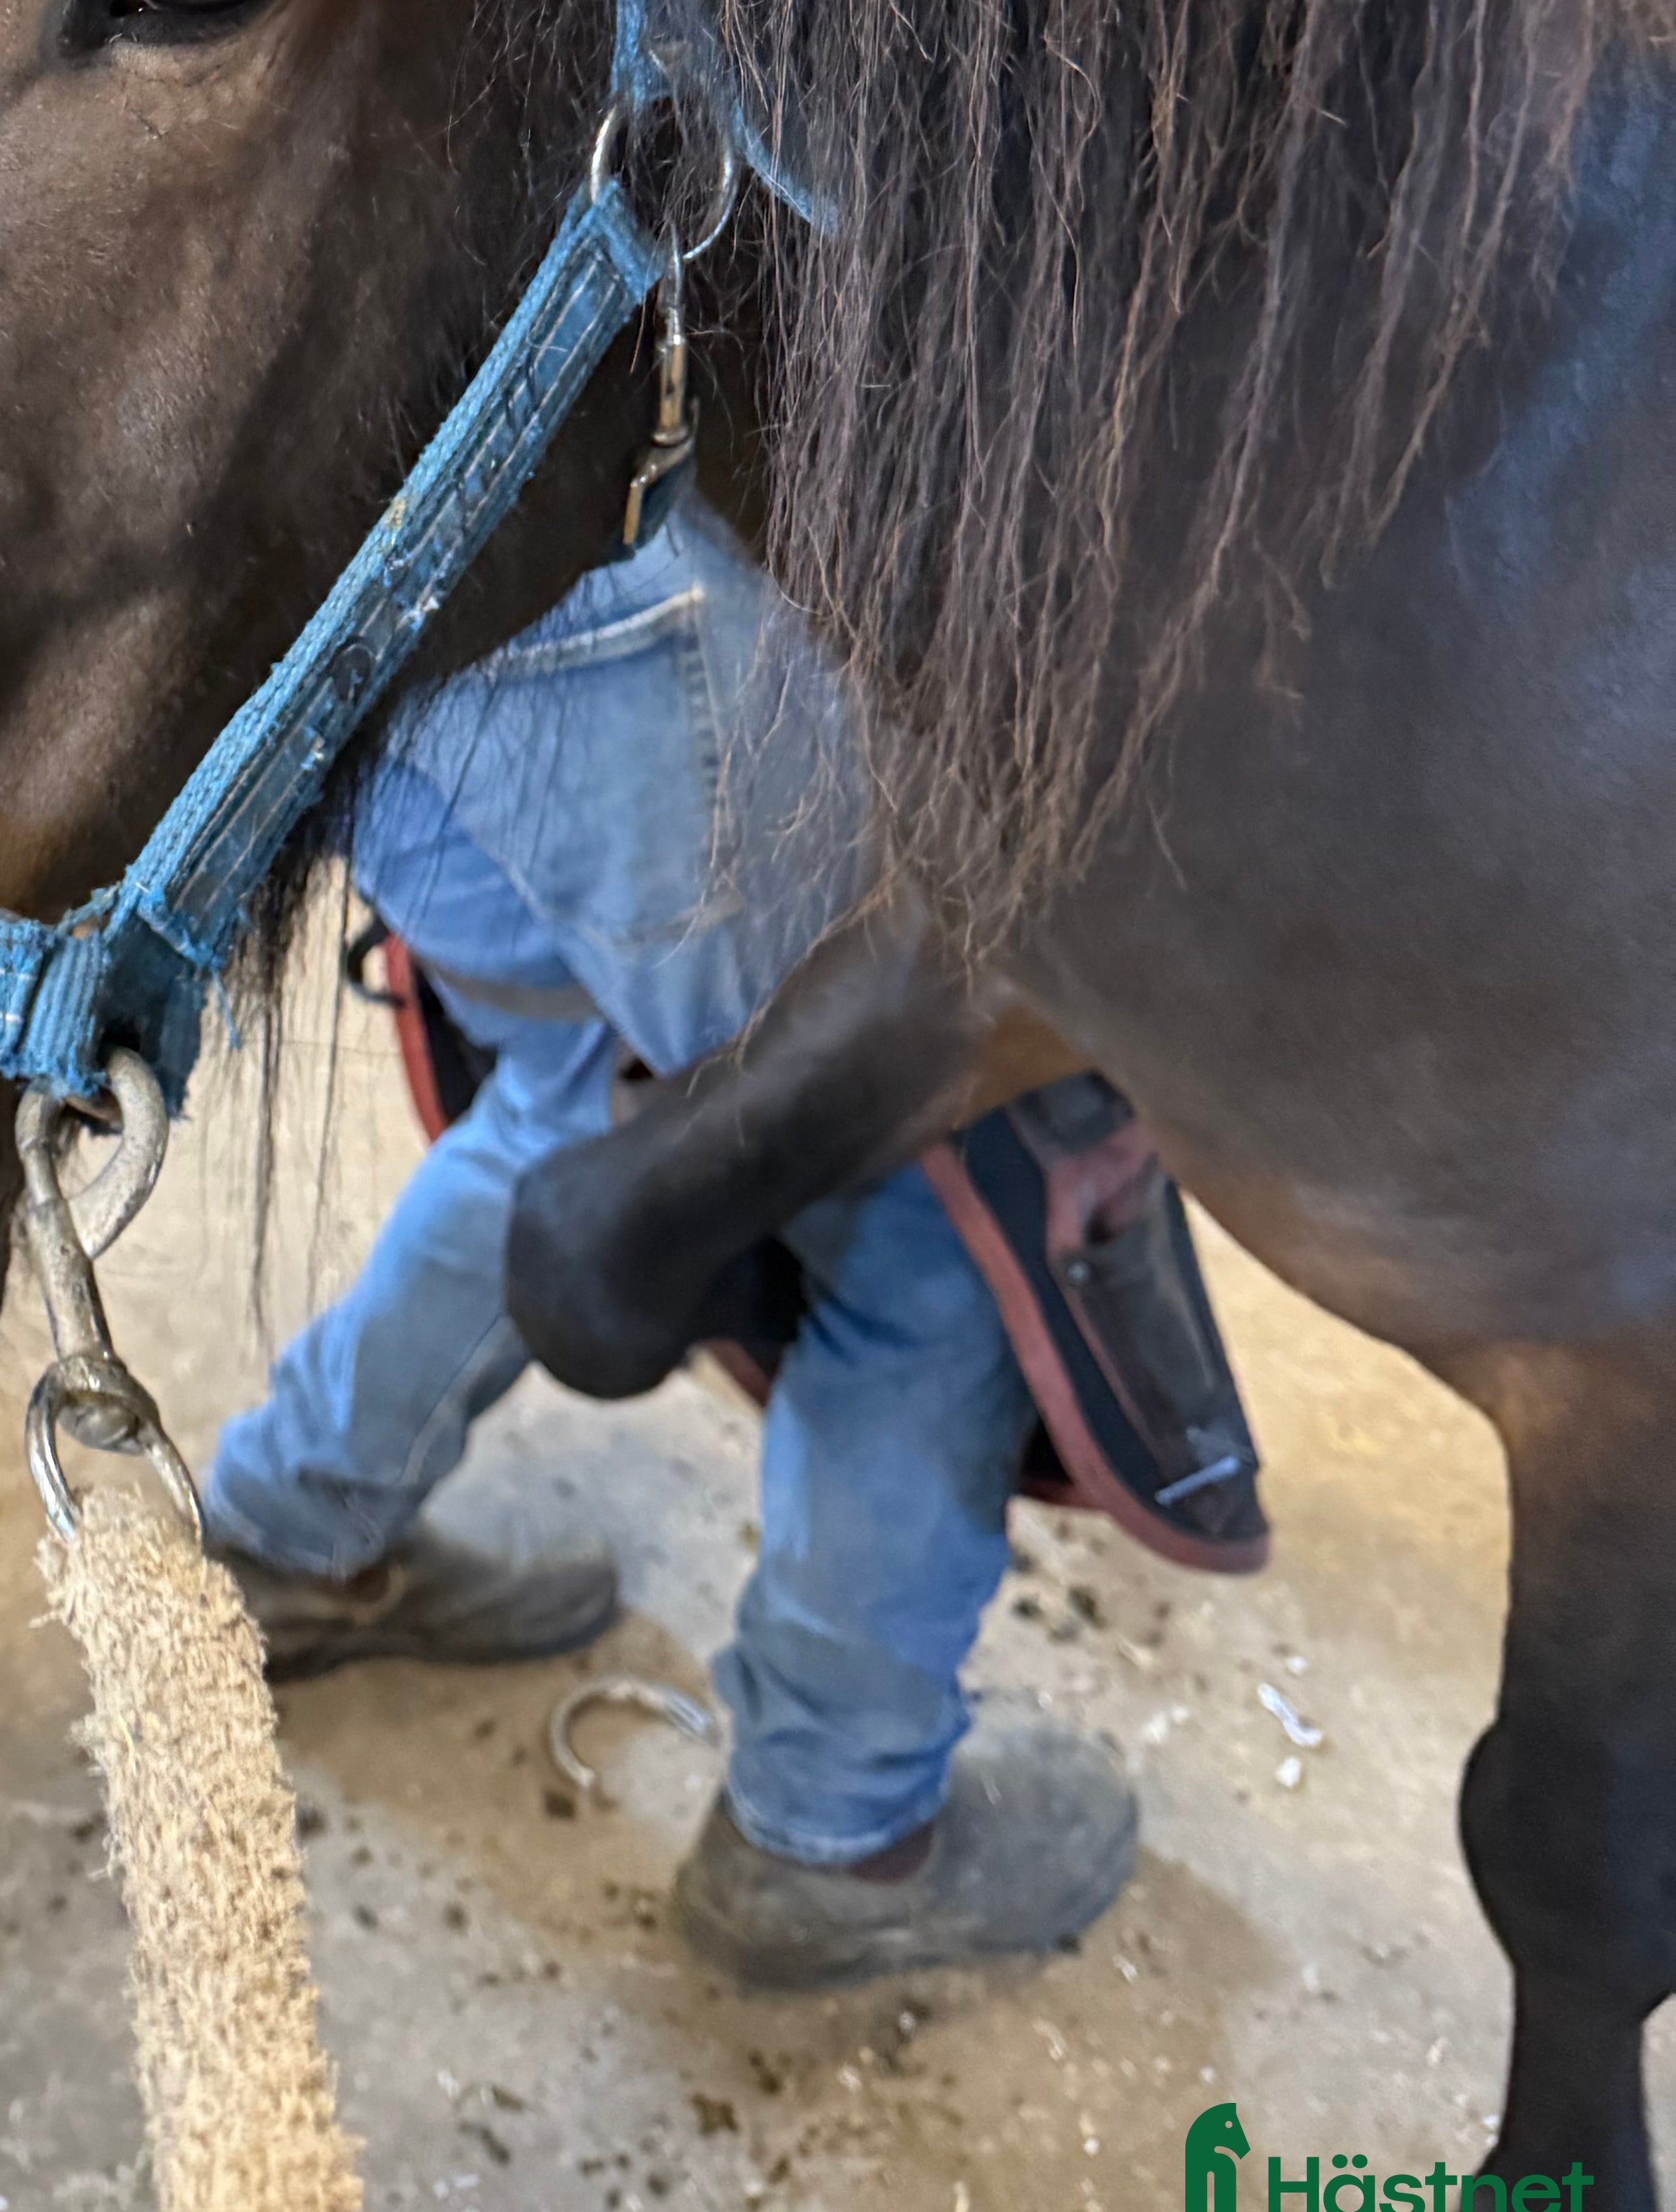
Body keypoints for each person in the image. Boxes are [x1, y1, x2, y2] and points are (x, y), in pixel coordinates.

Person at [199, 491, 1209, 1988]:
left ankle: (293, 1523)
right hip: (603, 566)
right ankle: (834, 1835)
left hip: (340, 568)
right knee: (912, 1204)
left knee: (566, 1098)